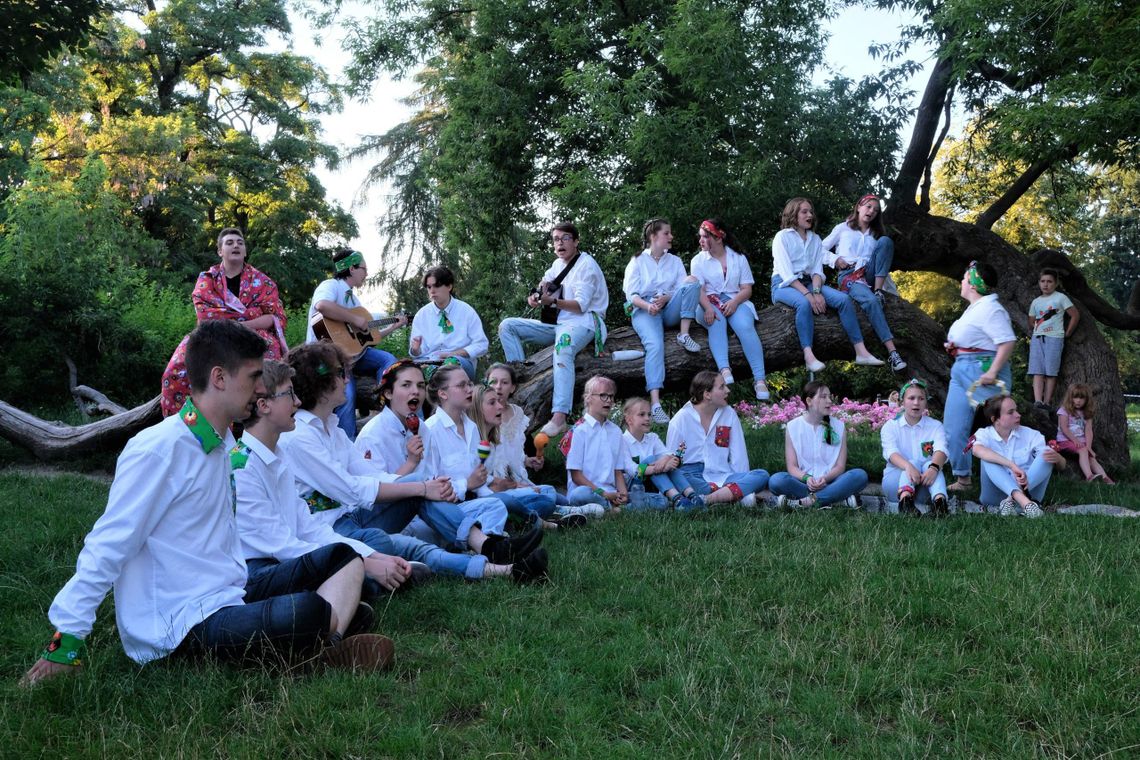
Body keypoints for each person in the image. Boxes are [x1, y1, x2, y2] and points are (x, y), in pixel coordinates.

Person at [23, 321, 394, 687]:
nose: (262, 388)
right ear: (219, 378)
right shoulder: (159, 450)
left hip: (229, 594)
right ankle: (320, 640)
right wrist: (66, 641)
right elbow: (109, 543)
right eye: (252, 377)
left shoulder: (222, 446)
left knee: (342, 556)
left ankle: (320, 645)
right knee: (312, 609)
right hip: (181, 621)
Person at [235, 360, 545, 587]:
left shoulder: (332, 428)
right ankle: (486, 561)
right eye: (341, 375)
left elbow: (369, 474)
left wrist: (424, 485)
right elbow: (352, 490)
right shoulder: (300, 438)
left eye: (420, 386)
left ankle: (491, 548)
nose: (347, 382)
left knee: (495, 500)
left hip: (361, 518)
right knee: (393, 540)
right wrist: (425, 485)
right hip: (345, 523)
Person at [418, 361, 549, 572]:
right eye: (462, 385)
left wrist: (495, 490)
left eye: (469, 384)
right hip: (446, 511)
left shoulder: (470, 427)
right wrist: (466, 484)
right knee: (498, 503)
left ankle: (493, 546)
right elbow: (429, 488)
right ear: (443, 394)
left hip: (471, 504)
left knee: (496, 504)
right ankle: (495, 550)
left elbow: (480, 481)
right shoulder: (431, 431)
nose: (470, 389)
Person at [160, 227, 289, 417]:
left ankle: (261, 425)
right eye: (229, 243)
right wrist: (251, 314)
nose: (235, 245)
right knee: (177, 369)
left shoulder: (264, 282)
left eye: (240, 243)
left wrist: (240, 325)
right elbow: (206, 316)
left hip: (254, 335)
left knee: (269, 371)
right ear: (220, 251)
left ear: (245, 251)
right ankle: (188, 425)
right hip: (213, 334)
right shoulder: (207, 279)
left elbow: (273, 318)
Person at [498, 222, 609, 437]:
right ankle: (519, 377)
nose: (560, 243)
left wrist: (553, 302)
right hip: (559, 324)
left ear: (576, 241)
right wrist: (536, 296)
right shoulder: (557, 264)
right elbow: (546, 282)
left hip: (585, 323)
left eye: (565, 238)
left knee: (563, 348)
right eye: (556, 239)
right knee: (508, 326)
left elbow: (581, 305)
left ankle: (559, 417)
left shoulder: (587, 265)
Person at [771, 198, 885, 373]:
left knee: (843, 299)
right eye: (804, 212)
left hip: (809, 282)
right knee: (803, 304)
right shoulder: (782, 237)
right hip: (783, 285)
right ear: (793, 214)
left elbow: (817, 270)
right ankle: (808, 355)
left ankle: (861, 352)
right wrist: (809, 297)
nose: (810, 215)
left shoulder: (815, 239)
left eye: (811, 212)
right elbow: (786, 274)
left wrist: (816, 292)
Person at [306, 248, 408, 439]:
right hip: (327, 356)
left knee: (389, 360)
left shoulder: (354, 300)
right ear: (352, 269)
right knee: (347, 396)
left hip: (354, 356)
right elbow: (322, 306)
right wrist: (354, 319)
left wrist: (395, 326)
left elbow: (367, 339)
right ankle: (348, 444)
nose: (366, 273)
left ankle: (386, 401)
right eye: (363, 268)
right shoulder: (331, 285)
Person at [943, 260, 1016, 492]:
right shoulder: (973, 310)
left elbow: (1007, 341)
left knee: (1001, 425)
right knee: (953, 428)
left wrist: (993, 372)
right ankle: (963, 479)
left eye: (964, 278)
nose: (961, 282)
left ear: (973, 285)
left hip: (984, 370)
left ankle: (1014, 475)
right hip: (962, 369)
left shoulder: (991, 308)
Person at [624, 218, 702, 421]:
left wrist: (667, 297)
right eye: (666, 233)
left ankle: (684, 334)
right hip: (644, 310)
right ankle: (656, 403)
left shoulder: (674, 261)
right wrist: (648, 306)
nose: (671, 237)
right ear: (653, 237)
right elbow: (631, 295)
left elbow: (683, 289)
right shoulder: (638, 261)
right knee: (655, 346)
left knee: (692, 281)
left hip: (668, 308)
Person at [820, 194, 907, 372]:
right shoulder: (842, 228)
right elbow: (819, 249)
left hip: (870, 275)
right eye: (868, 207)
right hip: (848, 275)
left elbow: (880, 258)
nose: (871, 212)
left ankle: (878, 290)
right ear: (859, 206)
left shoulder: (875, 234)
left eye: (875, 210)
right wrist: (835, 259)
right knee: (871, 302)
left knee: (886, 241)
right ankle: (893, 353)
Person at [690, 219, 770, 400]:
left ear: (719, 237)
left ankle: (760, 380)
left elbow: (747, 289)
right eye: (700, 237)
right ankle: (724, 369)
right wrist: (708, 308)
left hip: (735, 299)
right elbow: (699, 289)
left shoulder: (738, 258)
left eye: (705, 237)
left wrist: (734, 303)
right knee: (716, 321)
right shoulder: (698, 260)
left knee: (745, 326)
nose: (701, 240)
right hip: (706, 302)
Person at [665, 370, 770, 507]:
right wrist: (745, 487)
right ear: (707, 394)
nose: (727, 390)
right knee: (686, 482)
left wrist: (744, 481)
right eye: (722, 387)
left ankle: (707, 500)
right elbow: (670, 462)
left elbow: (739, 454)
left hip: (724, 476)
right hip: (693, 477)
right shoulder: (680, 420)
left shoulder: (729, 414)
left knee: (762, 475)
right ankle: (734, 496)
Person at [470, 383, 565, 526]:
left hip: (504, 492)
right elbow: (478, 485)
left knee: (548, 491)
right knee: (545, 500)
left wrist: (525, 464)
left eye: (498, 401)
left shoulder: (493, 438)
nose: (500, 407)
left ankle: (554, 511)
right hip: (489, 499)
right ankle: (555, 513)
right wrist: (511, 486)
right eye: (492, 403)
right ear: (477, 409)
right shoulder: (472, 440)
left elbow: (508, 463)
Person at [769, 380, 868, 509]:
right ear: (809, 401)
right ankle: (835, 500)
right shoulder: (793, 426)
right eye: (823, 397)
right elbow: (792, 466)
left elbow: (840, 466)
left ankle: (804, 503)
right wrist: (807, 478)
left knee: (860, 475)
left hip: (831, 482)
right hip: (803, 484)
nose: (829, 401)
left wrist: (825, 479)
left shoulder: (839, 426)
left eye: (829, 396)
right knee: (776, 480)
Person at [971, 395, 1066, 517]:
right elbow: (976, 450)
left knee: (1046, 453)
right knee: (987, 457)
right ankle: (1026, 504)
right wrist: (1011, 465)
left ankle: (1014, 500)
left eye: (1016, 410)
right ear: (995, 419)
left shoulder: (1031, 434)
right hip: (995, 498)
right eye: (1011, 412)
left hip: (1029, 492)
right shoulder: (984, 434)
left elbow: (1061, 466)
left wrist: (1059, 459)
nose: (1018, 415)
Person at [879, 378, 950, 516]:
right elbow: (891, 452)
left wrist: (934, 468)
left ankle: (940, 504)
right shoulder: (890, 426)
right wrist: (908, 467)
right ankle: (905, 500)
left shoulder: (935, 426)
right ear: (902, 401)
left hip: (925, 481)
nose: (916, 403)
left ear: (926, 402)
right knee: (913, 462)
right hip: (895, 482)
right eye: (911, 398)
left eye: (921, 398)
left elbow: (942, 449)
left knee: (931, 463)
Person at [563, 375, 629, 515]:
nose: (609, 401)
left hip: (611, 492)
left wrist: (623, 494)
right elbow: (576, 476)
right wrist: (604, 494)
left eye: (611, 397)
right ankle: (610, 508)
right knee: (580, 495)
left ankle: (611, 508)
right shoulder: (579, 431)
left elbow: (618, 472)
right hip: (587, 491)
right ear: (588, 397)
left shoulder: (616, 431)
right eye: (603, 396)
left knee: (659, 501)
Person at [409, 265, 489, 379]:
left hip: (459, 362)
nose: (432, 290)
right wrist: (415, 350)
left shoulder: (466, 311)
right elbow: (417, 353)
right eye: (429, 286)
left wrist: (453, 354)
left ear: (449, 286)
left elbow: (482, 345)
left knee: (448, 367)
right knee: (404, 370)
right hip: (430, 361)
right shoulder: (421, 315)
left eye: (437, 285)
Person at [622, 397, 700, 510]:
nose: (648, 418)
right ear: (629, 420)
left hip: (652, 484)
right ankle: (677, 499)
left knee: (663, 461)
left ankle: (693, 497)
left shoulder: (652, 438)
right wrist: (659, 467)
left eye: (649, 414)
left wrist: (665, 461)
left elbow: (668, 454)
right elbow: (633, 470)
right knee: (651, 459)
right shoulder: (622, 441)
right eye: (642, 414)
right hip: (634, 486)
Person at [1027, 268, 1079, 406]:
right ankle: (1038, 401)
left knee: (1051, 371)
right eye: (1043, 281)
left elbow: (1075, 315)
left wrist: (1067, 333)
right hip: (1038, 338)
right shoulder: (1036, 301)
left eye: (1049, 281)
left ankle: (1047, 402)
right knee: (1037, 370)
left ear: (1056, 283)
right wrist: (1038, 326)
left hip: (1054, 338)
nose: (1046, 284)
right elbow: (1031, 320)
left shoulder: (1060, 298)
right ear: (1039, 283)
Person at [485, 362, 543, 473]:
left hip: (518, 479)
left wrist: (527, 461)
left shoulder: (517, 412)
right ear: (486, 385)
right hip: (493, 482)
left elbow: (515, 451)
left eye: (505, 382)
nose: (498, 386)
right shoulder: (480, 414)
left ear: (512, 388)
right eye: (493, 381)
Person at [1055, 382, 1113, 483]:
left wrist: (1089, 447)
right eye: (1075, 397)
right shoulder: (1064, 410)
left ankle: (1105, 478)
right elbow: (1064, 428)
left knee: (1091, 457)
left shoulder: (1087, 412)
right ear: (1070, 398)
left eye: (1082, 398)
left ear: (1087, 400)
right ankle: (1089, 476)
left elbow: (1088, 430)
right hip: (1065, 441)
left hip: (1081, 443)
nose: (1078, 401)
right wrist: (1076, 441)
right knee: (1082, 450)